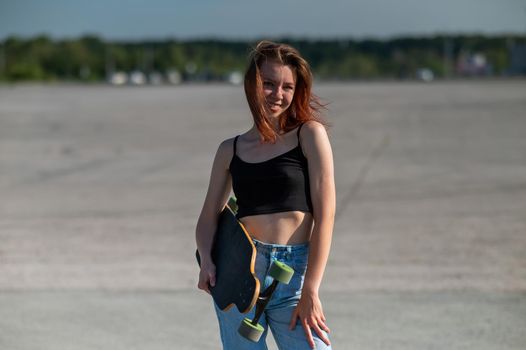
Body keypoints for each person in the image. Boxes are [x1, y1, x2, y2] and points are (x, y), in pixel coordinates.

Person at [196, 40, 335, 349]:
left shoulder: (308, 135)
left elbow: (326, 217)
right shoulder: (229, 150)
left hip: (293, 278)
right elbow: (208, 218)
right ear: (252, 84)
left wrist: (311, 289)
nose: (278, 94)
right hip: (241, 277)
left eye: (287, 86)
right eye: (269, 84)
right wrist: (206, 260)